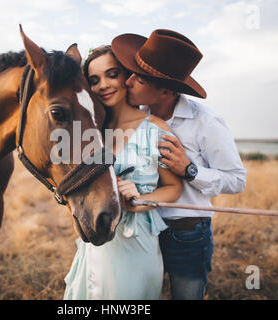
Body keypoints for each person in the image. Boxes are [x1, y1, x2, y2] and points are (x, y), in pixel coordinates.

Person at [111, 29, 247, 299]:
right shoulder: (136, 117)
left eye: (138, 78)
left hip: (187, 232)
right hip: (142, 229)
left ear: (164, 89)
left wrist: (190, 170)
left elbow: (237, 179)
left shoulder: (205, 122)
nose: (128, 82)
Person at [63, 45, 182, 300]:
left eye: (111, 74)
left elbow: (174, 188)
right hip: (95, 241)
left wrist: (142, 200)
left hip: (135, 243)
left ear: (126, 77)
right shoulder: (91, 131)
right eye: (94, 80)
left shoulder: (155, 129)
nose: (103, 85)